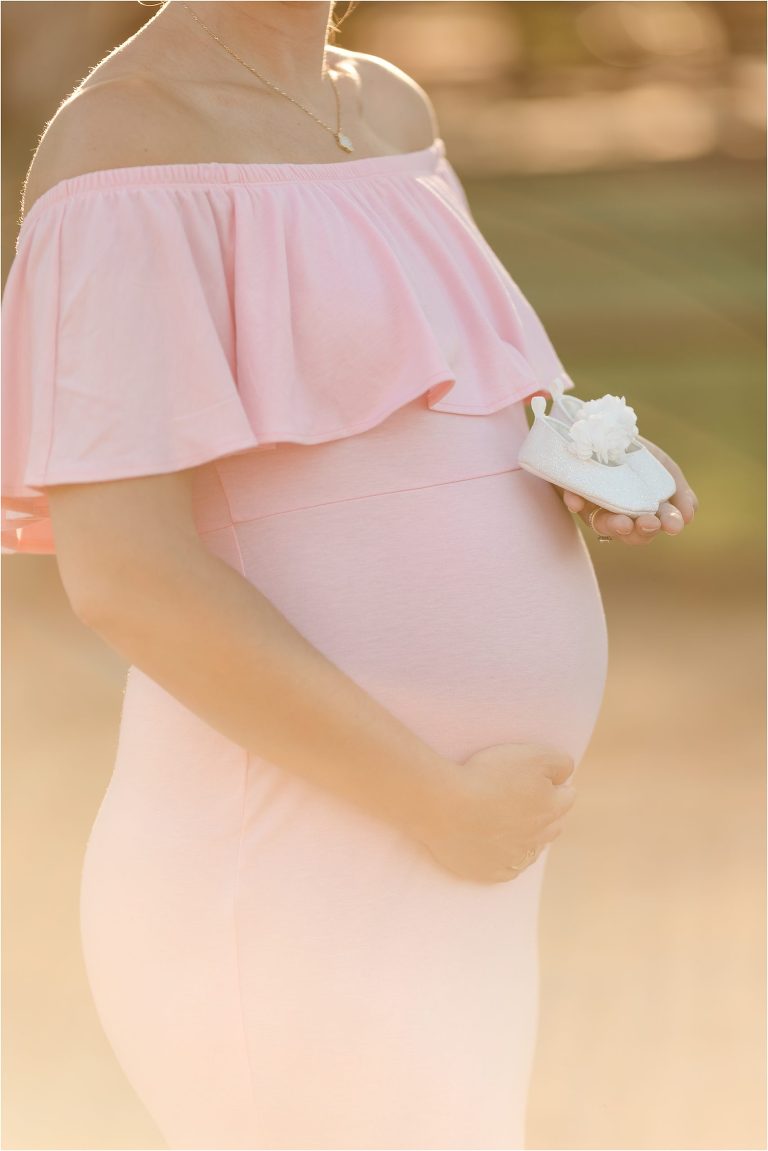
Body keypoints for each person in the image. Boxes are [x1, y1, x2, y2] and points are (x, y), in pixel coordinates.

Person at [1, 2, 698, 1148]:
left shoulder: (387, 107)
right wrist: (436, 800)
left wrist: (591, 456)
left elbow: (460, 403)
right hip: (290, 856)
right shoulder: (124, 146)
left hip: (463, 855)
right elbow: (128, 575)